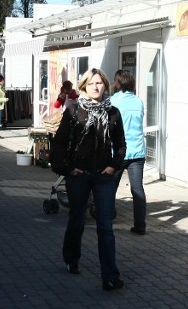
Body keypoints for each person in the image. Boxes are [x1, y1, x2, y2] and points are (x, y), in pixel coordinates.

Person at [50, 68, 126, 291]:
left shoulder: (113, 113)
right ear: (83, 86)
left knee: (105, 225)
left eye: (100, 83)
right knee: (77, 219)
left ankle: (110, 276)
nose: (96, 87)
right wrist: (67, 168)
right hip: (79, 175)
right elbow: (60, 143)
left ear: (105, 86)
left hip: (103, 177)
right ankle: (71, 258)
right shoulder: (74, 111)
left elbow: (121, 145)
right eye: (91, 83)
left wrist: (114, 166)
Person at [110, 70, 147, 235]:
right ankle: (140, 226)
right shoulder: (139, 102)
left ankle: (107, 219)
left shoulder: (112, 101)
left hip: (118, 152)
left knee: (110, 188)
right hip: (138, 151)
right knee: (137, 189)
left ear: (117, 83)